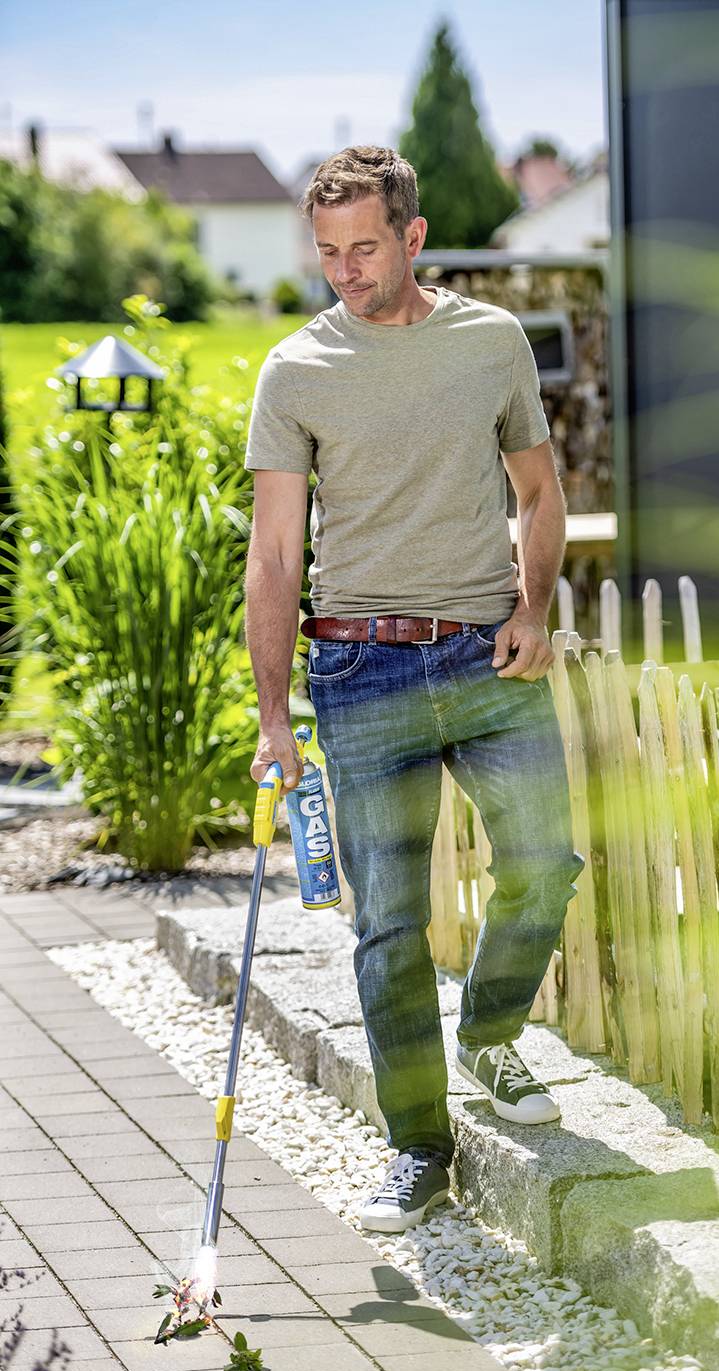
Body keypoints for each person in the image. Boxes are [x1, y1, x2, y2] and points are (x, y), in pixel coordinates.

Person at [243, 144, 585, 1233]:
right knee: (388, 927)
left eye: (365, 247)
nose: (344, 269)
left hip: (488, 654)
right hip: (358, 666)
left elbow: (537, 493)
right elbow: (274, 556)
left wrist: (532, 609)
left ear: (413, 238)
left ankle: (487, 1038)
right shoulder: (296, 369)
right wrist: (270, 715)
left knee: (543, 861)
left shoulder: (488, 345)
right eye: (328, 251)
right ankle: (418, 1149)